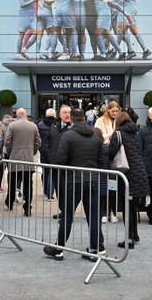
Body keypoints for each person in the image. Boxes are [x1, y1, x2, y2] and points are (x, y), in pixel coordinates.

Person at [43, 109, 107, 260]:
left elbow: (60, 159)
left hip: (73, 181)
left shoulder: (68, 135)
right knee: (93, 216)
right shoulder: (95, 135)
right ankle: (96, 249)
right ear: (84, 118)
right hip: (93, 180)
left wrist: (66, 177)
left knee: (67, 216)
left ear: (71, 119)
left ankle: (59, 248)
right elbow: (101, 158)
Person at [107, 111, 149, 249]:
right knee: (133, 207)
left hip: (126, 173)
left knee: (127, 209)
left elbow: (111, 153)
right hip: (140, 172)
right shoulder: (137, 133)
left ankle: (129, 238)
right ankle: (134, 235)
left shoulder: (118, 134)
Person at [3, 107, 41, 216]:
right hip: (28, 159)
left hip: (15, 158)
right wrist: (32, 152)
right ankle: (27, 208)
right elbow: (38, 142)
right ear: (25, 114)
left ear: (17, 115)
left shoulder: (12, 125)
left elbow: (7, 141)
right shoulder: (33, 126)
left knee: (13, 183)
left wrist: (11, 152)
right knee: (28, 184)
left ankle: (9, 203)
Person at [95, 100, 122, 223]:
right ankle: (103, 212)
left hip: (116, 155)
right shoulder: (100, 120)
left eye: (117, 111)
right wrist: (111, 136)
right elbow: (97, 136)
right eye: (113, 111)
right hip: (104, 155)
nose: (115, 113)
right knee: (104, 185)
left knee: (113, 186)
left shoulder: (120, 121)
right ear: (108, 110)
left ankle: (113, 212)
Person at [37, 107, 56, 200]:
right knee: (52, 172)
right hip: (53, 151)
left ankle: (45, 190)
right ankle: (50, 193)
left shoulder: (40, 124)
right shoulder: (56, 125)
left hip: (43, 151)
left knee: (45, 171)